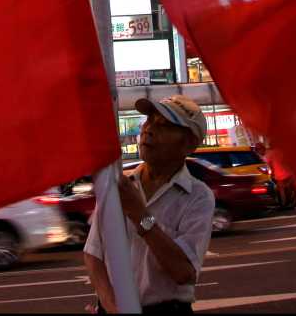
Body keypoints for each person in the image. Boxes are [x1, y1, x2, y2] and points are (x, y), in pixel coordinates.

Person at [85, 95, 214, 314]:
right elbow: (93, 253)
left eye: (164, 125)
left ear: (189, 144)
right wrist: (110, 305)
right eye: (149, 121)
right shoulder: (119, 185)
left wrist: (139, 214)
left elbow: (183, 272)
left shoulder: (198, 197)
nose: (149, 130)